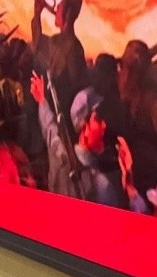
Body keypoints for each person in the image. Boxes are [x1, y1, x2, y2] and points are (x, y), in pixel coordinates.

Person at [30, 78, 129, 208]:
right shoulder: (101, 185)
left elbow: (49, 127)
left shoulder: (59, 151)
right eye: (97, 120)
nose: (104, 125)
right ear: (84, 128)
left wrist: (42, 100)